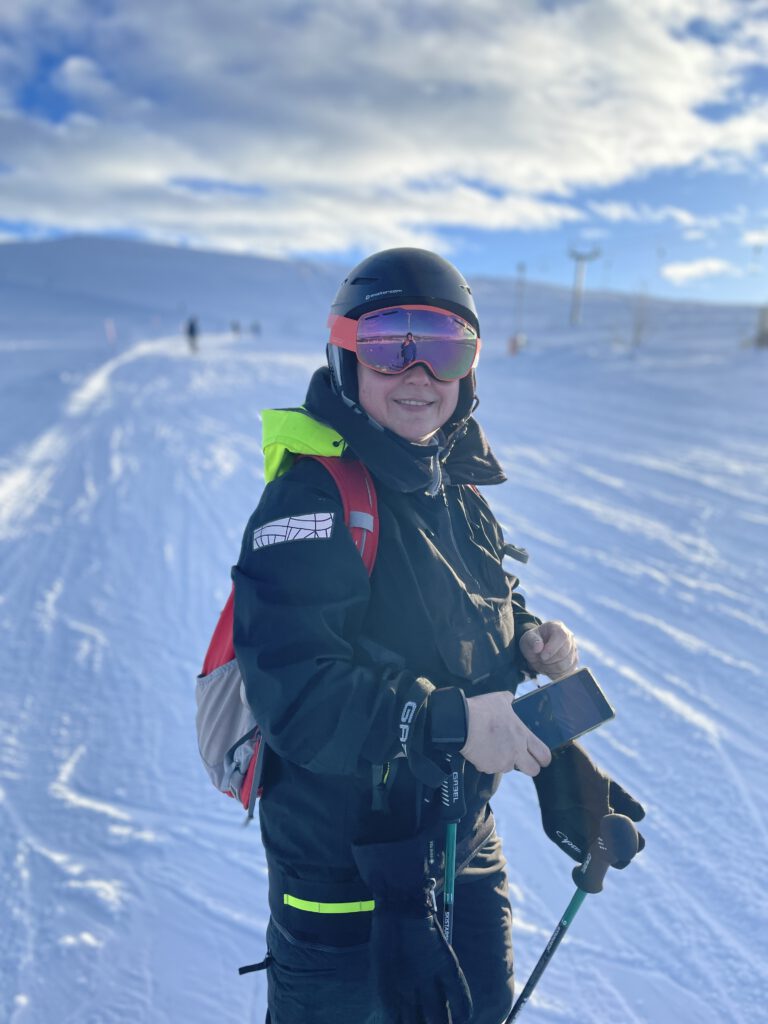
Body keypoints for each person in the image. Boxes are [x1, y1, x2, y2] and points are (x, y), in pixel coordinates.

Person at [232, 248, 645, 1024]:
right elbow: (297, 690)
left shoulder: (452, 482)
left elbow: (467, 603)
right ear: (346, 352)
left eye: (446, 345)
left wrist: (527, 644)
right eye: (391, 344)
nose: (419, 372)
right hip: (342, 879)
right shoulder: (312, 496)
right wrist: (447, 721)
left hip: (463, 845)